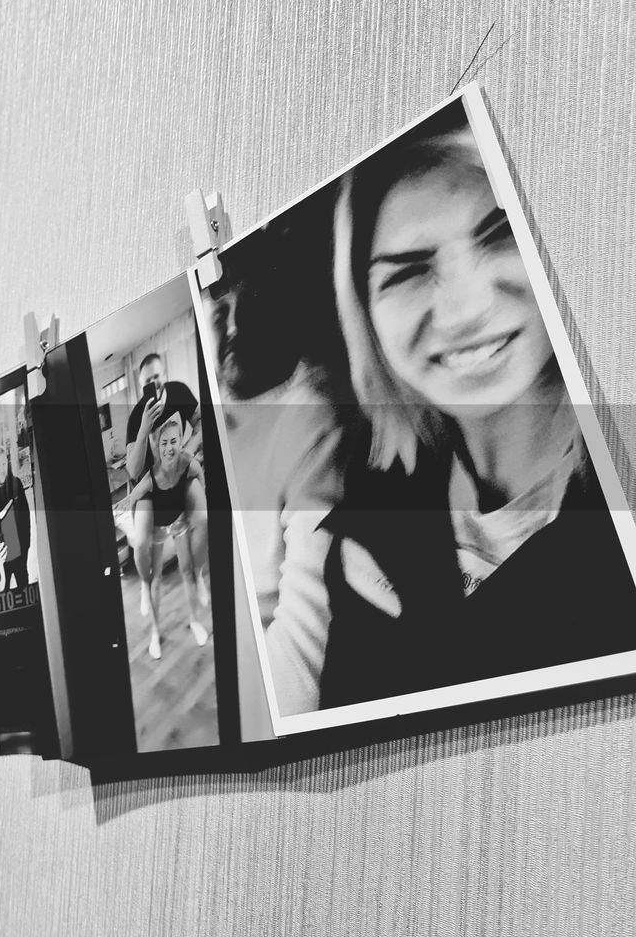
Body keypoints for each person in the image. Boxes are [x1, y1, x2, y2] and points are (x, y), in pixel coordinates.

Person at [316, 110, 636, 709]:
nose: (464, 310)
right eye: (409, 272)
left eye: (500, 234)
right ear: (366, 317)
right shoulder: (374, 514)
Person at [204, 229, 350, 719]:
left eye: (255, 303)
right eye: (220, 313)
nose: (236, 329)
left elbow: (300, 655)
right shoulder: (215, 409)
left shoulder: (314, 418)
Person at [124, 352, 208, 651]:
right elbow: (133, 471)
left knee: (200, 527)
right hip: (149, 489)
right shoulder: (137, 415)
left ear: (165, 374)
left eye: (157, 376)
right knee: (152, 564)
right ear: (140, 384)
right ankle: (155, 631)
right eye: (147, 380)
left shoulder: (181, 393)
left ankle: (197, 606)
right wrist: (146, 425)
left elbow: (202, 424)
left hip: (177, 475)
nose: (154, 383)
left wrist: (188, 448)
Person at [0, 447, 31, 589]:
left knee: (24, 587)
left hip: (20, 551)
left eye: (4, 464)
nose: (2, 468)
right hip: (1, 556)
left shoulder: (16, 484)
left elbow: (25, 516)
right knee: (3, 591)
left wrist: (26, 545)